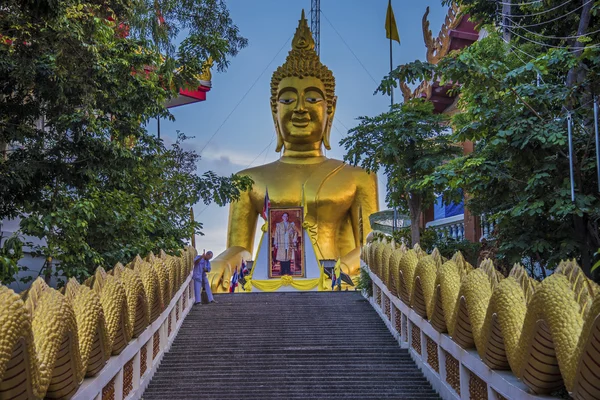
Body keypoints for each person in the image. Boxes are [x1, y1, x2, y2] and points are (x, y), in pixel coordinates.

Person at [207, 10, 379, 292]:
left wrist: (344, 268)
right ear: (274, 110)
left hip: (336, 280)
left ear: (330, 109)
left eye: (312, 97)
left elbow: (371, 247)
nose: (300, 108)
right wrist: (223, 262)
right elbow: (240, 247)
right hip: (267, 280)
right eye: (288, 99)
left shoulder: (357, 177)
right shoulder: (247, 181)